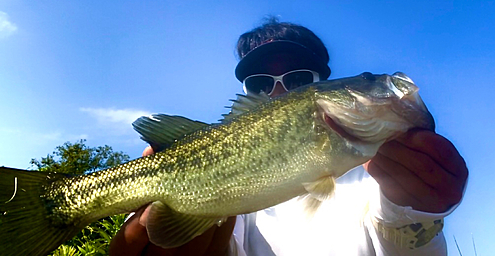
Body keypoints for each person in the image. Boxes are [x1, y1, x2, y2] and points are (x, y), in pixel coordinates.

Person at [109, 20, 468, 255]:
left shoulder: (376, 177)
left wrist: (416, 210)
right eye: (260, 84)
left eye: (298, 80)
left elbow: (399, 226)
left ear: (323, 86)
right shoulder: (238, 205)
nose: (277, 92)